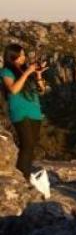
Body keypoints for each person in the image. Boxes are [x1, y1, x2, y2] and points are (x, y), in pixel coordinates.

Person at [2, 44, 49, 177]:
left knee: (31, 147)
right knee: (26, 145)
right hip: (20, 112)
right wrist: (28, 72)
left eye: (24, 54)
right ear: (12, 56)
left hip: (34, 112)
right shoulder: (6, 71)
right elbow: (13, 89)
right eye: (21, 55)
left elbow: (42, 90)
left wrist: (38, 75)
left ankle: (25, 175)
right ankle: (22, 177)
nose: (24, 57)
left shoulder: (25, 71)